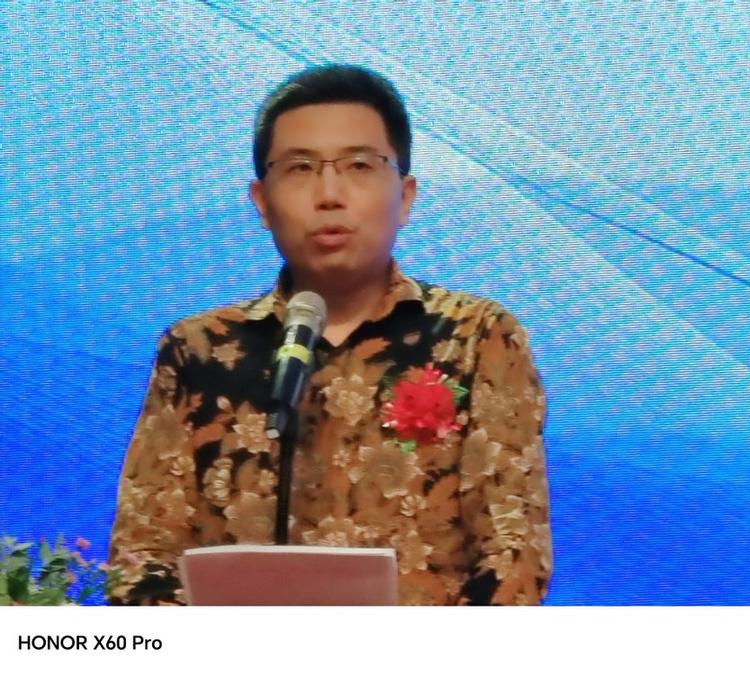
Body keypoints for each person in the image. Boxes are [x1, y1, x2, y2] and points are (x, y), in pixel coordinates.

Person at [107, 64, 552, 606]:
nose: (329, 194)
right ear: (261, 202)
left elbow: (512, 556)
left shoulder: (476, 337)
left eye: (360, 165)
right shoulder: (198, 351)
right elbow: (141, 558)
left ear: (405, 196)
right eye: (300, 168)